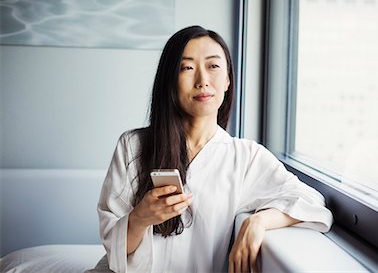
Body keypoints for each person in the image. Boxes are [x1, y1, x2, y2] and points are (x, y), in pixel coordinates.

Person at [88, 26, 333, 273]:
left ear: (227, 79)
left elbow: (311, 202)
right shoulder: (133, 146)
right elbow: (114, 247)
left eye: (213, 66)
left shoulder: (245, 157)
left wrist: (258, 221)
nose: (202, 80)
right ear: (170, 81)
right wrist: (141, 217)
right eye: (187, 68)